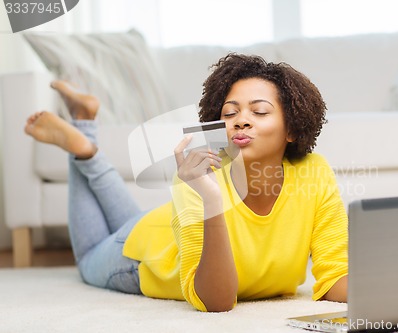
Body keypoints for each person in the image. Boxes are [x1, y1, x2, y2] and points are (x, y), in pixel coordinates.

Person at [24, 53, 348, 312]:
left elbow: (334, 276)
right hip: (140, 258)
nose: (241, 120)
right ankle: (83, 146)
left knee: (124, 223)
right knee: (88, 257)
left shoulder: (314, 171)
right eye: (230, 112)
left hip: (157, 227)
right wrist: (211, 199)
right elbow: (215, 301)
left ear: (292, 129)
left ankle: (84, 124)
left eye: (260, 111)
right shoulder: (197, 174)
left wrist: (391, 285)